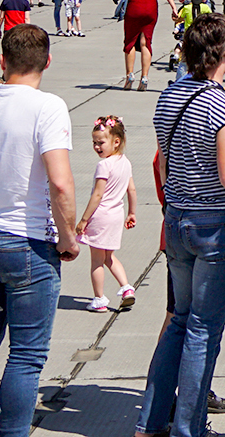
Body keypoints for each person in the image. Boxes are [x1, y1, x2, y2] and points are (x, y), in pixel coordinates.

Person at [137, 13, 225, 437]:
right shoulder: (223, 106)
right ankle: (188, 428)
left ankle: (150, 421)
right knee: (204, 329)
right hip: (218, 222)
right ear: (224, 53)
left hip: (179, 217)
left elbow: (167, 162)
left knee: (179, 320)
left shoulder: (170, 95)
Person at [0, 25, 77, 437]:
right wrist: (67, 235)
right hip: (27, 242)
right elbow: (59, 181)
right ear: (46, 61)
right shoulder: (47, 107)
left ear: (3, 59)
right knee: (26, 357)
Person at [75, 117, 138, 313]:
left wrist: (84, 220)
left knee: (96, 260)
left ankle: (99, 299)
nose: (96, 147)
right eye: (94, 142)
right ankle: (127, 288)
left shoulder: (104, 166)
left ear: (116, 141)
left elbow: (98, 194)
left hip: (101, 215)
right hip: (117, 215)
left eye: (101, 142)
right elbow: (132, 190)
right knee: (109, 256)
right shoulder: (125, 162)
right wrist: (132, 213)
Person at [119, 0, 171, 91]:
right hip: (150, 5)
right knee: (145, 41)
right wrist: (174, 8)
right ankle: (144, 77)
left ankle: (129, 75)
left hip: (135, 3)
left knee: (130, 41)